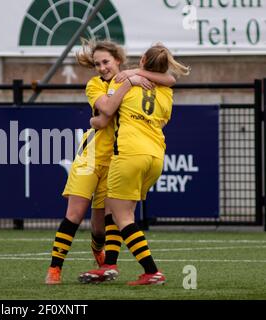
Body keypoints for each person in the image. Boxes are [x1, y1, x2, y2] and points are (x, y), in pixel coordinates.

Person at [45, 39, 176, 285]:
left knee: (104, 224)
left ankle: (107, 263)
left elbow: (168, 80)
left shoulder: (135, 80)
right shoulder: (97, 84)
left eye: (106, 62)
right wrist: (129, 81)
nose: (101, 67)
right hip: (93, 156)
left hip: (118, 156)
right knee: (75, 213)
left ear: (118, 60)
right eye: (97, 64)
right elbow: (105, 111)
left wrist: (132, 77)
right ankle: (55, 269)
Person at [78, 43, 190, 285]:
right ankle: (109, 265)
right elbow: (169, 81)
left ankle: (151, 271)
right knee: (113, 208)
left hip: (129, 153)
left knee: (123, 217)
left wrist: (94, 120)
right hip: (156, 156)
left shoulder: (122, 83)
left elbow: (106, 113)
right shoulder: (166, 90)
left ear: (141, 60)